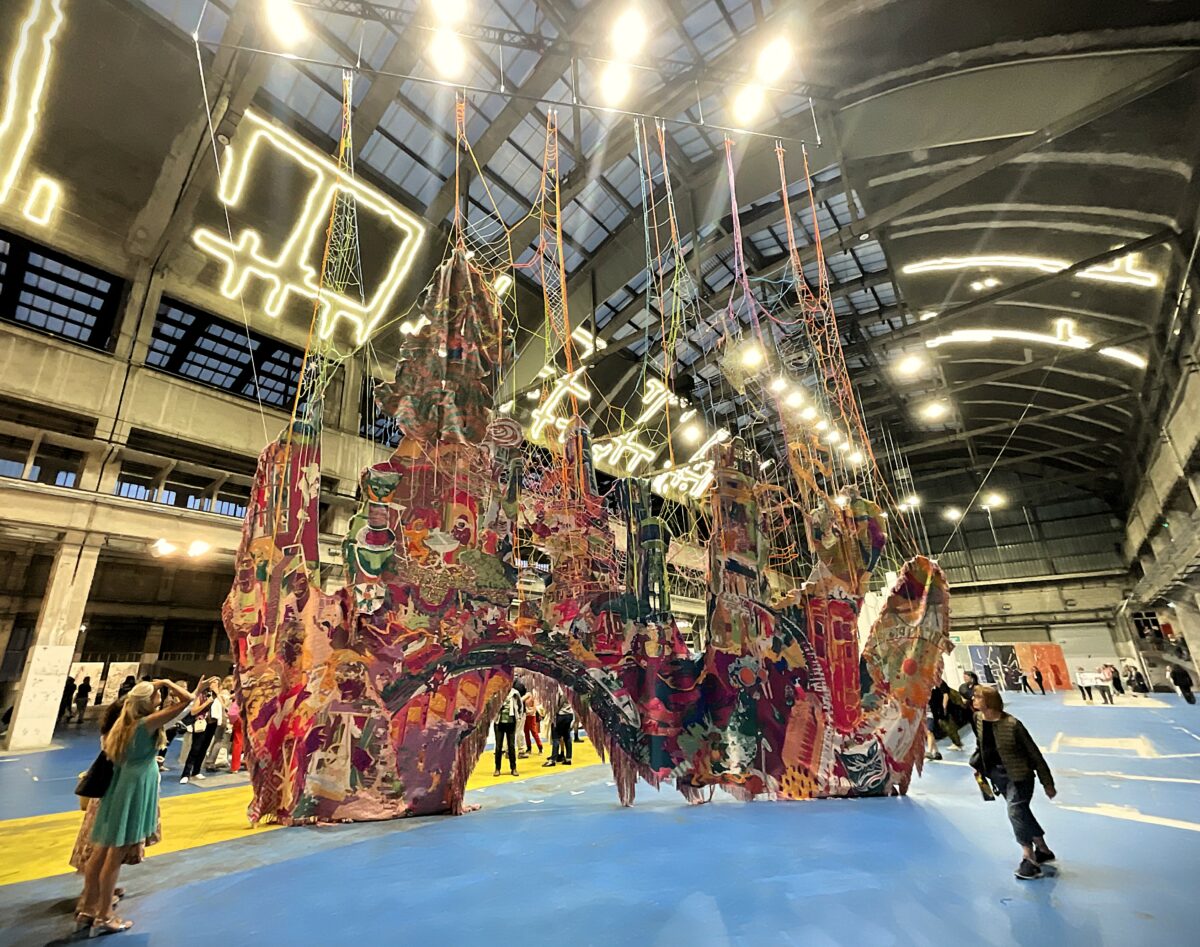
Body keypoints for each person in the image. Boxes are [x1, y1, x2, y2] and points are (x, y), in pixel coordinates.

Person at [78, 678, 203, 933]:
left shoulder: (123, 724)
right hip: (134, 791)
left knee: (101, 851)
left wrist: (159, 688)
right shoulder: (146, 724)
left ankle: (88, 907)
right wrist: (166, 681)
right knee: (115, 856)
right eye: (157, 694)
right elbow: (187, 701)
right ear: (147, 702)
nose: (161, 696)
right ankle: (105, 915)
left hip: (119, 787)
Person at [70, 698, 160, 920]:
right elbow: (183, 707)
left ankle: (95, 897)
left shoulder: (115, 732)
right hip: (120, 796)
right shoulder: (130, 733)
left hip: (110, 795)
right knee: (109, 851)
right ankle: (97, 903)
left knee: (102, 850)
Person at [970, 685, 1057, 880]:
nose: (973, 700)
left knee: (1015, 811)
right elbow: (981, 744)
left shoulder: (1012, 725)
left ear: (989, 701)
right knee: (1022, 812)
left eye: (977, 697)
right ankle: (1043, 849)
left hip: (1020, 776)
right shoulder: (977, 719)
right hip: (997, 776)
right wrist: (978, 765)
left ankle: (1029, 857)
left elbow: (1034, 754)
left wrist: (1047, 783)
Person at [179, 683, 216, 784]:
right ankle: (186, 773)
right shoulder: (202, 696)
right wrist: (207, 702)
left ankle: (196, 771)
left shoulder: (218, 697)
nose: (215, 686)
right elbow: (193, 711)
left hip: (212, 724)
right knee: (195, 748)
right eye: (214, 683)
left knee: (204, 748)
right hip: (201, 723)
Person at [925, 678, 963, 760]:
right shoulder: (925, 687)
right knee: (930, 732)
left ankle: (930, 751)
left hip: (937, 712)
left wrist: (944, 708)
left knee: (931, 731)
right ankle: (936, 752)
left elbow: (946, 695)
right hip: (934, 712)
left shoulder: (939, 683)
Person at [492, 684, 522, 777]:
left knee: (511, 746)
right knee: (498, 746)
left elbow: (520, 705)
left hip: (511, 722)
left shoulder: (515, 693)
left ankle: (513, 768)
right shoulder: (496, 693)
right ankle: (497, 768)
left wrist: (518, 717)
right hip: (499, 723)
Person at [521, 685, 542, 757]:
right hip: (525, 715)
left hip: (531, 715)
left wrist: (533, 711)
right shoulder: (527, 693)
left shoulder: (530, 694)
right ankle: (529, 748)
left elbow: (521, 700)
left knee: (534, 732)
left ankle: (540, 747)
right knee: (526, 732)